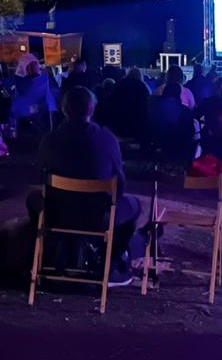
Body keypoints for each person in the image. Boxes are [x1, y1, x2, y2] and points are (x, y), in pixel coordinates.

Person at [28, 86, 141, 286]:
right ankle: (112, 262)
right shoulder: (107, 139)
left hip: (57, 214)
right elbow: (120, 184)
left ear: (64, 109)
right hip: (97, 217)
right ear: (91, 108)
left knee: (33, 199)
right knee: (134, 205)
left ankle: (48, 254)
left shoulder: (49, 140)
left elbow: (40, 176)